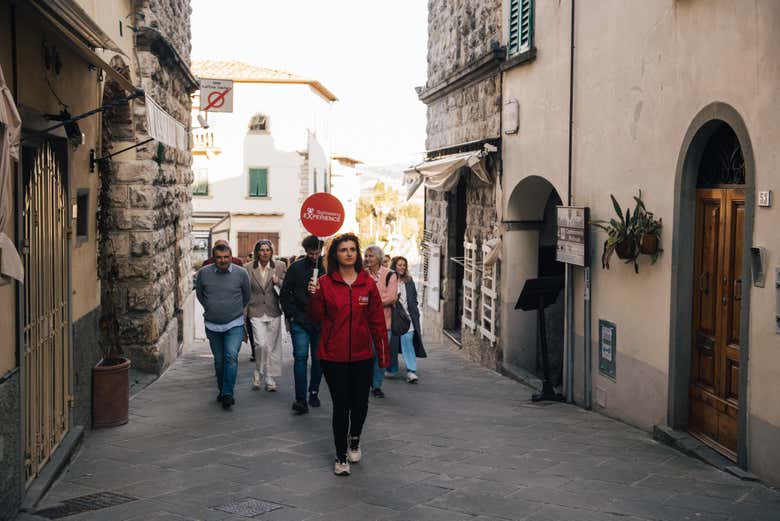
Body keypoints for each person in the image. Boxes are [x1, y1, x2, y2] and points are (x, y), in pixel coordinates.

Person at [307, 233, 389, 476]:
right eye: (343, 250)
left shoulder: (368, 284)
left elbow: (377, 323)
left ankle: (355, 438)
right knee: (341, 405)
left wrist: (382, 357)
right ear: (335, 255)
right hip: (333, 356)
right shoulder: (324, 282)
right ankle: (340, 454)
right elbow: (316, 317)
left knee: (360, 404)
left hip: (363, 356)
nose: (349, 253)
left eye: (353, 249)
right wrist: (313, 296)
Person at [195, 243, 251, 410]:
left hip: (234, 323)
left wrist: (233, 310)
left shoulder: (241, 273)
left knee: (231, 356)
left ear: (231, 256)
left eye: (226, 257)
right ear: (214, 258)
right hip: (212, 325)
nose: (223, 260)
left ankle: (228, 393)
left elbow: (246, 296)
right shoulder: (203, 273)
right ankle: (222, 390)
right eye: (219, 257)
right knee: (219, 361)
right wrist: (212, 308)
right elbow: (200, 295)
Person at [280, 235, 325, 414]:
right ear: (306, 252)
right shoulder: (296, 268)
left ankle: (313, 391)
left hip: (320, 321)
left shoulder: (328, 268)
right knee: (300, 358)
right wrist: (291, 315)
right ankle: (300, 399)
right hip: (300, 319)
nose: (315, 256)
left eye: (317, 253)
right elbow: (285, 293)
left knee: (318, 359)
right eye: (311, 253)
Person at [247, 240, 286, 392]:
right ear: (257, 252)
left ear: (271, 252)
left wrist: (279, 282)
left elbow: (288, 285)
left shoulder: (280, 266)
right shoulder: (248, 268)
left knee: (272, 346)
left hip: (273, 310)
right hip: (255, 310)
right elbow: (246, 290)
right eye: (261, 250)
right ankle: (258, 369)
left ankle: (270, 377)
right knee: (260, 344)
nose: (264, 253)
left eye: (267, 250)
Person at [363, 245, 397, 398]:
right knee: (367, 354)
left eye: (370, 256)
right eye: (366, 256)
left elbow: (391, 297)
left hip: (385, 323)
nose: (368, 259)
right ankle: (366, 381)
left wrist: (371, 302)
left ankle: (377, 385)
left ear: (378, 258)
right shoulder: (362, 275)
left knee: (380, 354)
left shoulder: (390, 275)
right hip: (364, 323)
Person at [386, 256, 427, 383]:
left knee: (408, 342)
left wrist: (415, 314)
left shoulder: (409, 281)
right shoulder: (389, 280)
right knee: (392, 344)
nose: (402, 267)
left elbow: (413, 299)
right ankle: (392, 368)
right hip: (392, 318)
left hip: (407, 318)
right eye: (399, 265)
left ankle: (411, 371)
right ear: (394, 266)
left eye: (404, 265)